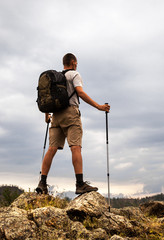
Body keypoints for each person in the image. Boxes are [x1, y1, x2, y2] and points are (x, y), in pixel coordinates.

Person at [36, 53, 110, 195]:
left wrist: (47, 116)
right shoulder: (74, 75)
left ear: (64, 63)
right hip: (71, 114)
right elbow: (80, 93)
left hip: (56, 116)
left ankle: (42, 183)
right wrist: (99, 106)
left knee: (51, 149)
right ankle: (80, 184)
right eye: (76, 63)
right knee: (75, 147)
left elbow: (47, 98)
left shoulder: (56, 78)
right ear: (74, 62)